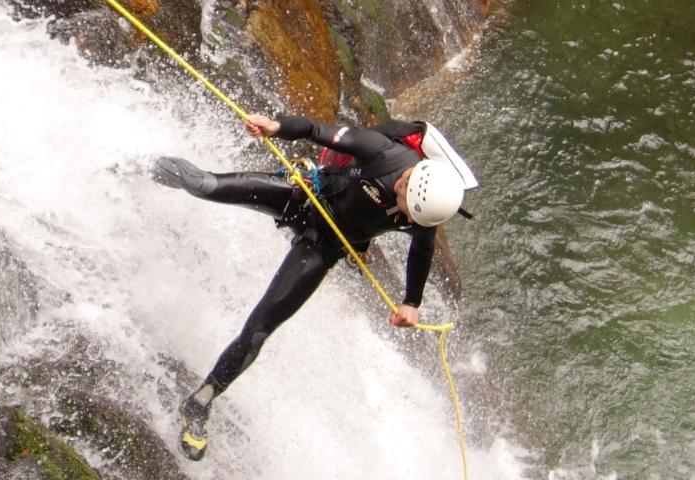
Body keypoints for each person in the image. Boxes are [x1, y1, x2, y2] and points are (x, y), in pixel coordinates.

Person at [154, 113, 473, 461]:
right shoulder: (379, 150)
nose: (408, 221)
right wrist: (276, 127)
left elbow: (422, 248)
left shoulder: (424, 210)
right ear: (406, 183)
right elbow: (315, 131)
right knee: (203, 184)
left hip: (325, 246)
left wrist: (412, 301)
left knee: (260, 329)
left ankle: (199, 402)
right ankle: (137, 163)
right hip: (304, 194)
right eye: (408, 212)